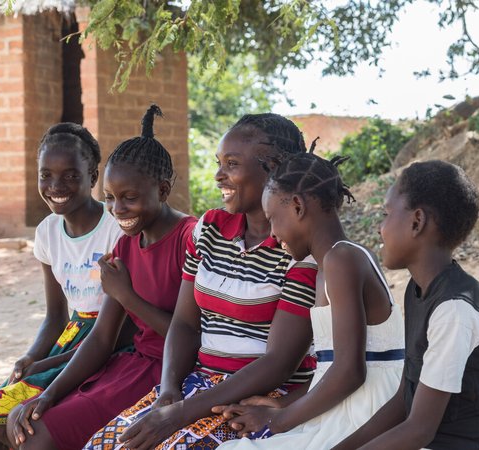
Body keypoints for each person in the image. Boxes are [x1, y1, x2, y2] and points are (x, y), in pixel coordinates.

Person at [83, 113, 319, 450]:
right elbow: (184, 323)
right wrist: (168, 392)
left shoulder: (297, 248)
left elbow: (279, 364)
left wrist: (180, 415)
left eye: (232, 164)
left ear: (274, 168)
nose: (218, 175)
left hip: (258, 399)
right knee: (102, 446)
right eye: (218, 163)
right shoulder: (209, 228)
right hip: (198, 385)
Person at [7, 104, 196, 450]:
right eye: (110, 198)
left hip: (173, 372)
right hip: (130, 366)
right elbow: (100, 339)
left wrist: (127, 296)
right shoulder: (125, 247)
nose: (117, 210)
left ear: (164, 190)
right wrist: (50, 395)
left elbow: (191, 335)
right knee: (29, 426)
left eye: (129, 198)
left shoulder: (189, 238)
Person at [214, 149, 405, 449]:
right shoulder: (332, 263)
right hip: (354, 403)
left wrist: (277, 420)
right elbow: (333, 366)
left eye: (273, 219)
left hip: (366, 411)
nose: (274, 235)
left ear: (298, 207)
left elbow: (350, 372)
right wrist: (281, 404)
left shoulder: (342, 259)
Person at [0, 123, 124, 450]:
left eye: (71, 175)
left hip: (109, 341)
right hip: (69, 340)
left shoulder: (115, 229)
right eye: (45, 175)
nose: (55, 185)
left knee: (29, 422)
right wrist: (30, 356)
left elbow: (117, 328)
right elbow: (54, 317)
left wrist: (46, 364)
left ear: (92, 177)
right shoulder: (48, 233)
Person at [335, 160, 479, 450]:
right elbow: (405, 399)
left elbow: (419, 431)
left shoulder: (455, 308)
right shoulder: (418, 290)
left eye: (386, 213)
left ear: (417, 221)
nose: (380, 228)